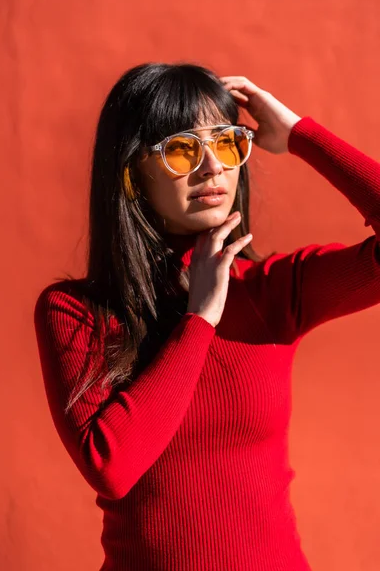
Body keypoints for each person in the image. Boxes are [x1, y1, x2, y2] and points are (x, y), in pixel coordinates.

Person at [34, 63, 380, 571]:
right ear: (131, 171)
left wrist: (300, 135)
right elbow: (112, 467)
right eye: (180, 149)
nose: (212, 167)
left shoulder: (274, 290)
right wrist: (199, 320)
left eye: (225, 142)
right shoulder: (76, 312)